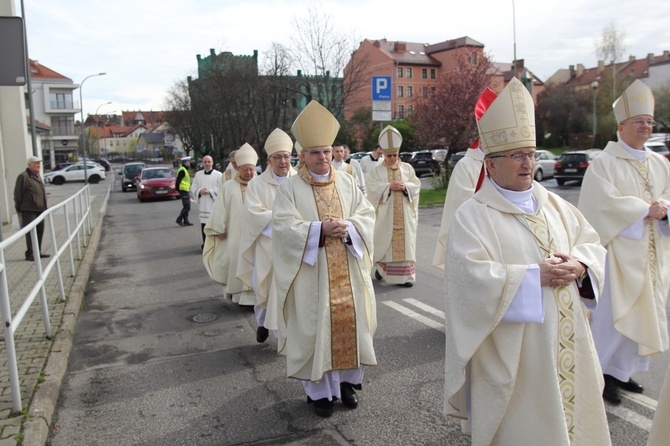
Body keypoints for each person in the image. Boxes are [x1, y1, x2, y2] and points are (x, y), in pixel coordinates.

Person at [443, 78, 611, 445]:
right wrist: (534, 276)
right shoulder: (472, 216)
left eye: (532, 154)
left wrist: (581, 267)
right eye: (517, 155)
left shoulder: (556, 205)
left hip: (568, 341)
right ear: (490, 163)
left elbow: (592, 244)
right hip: (517, 356)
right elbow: (468, 282)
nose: (528, 163)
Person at [273, 100, 377, 418]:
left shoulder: (346, 182)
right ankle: (318, 394)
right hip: (312, 275)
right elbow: (283, 227)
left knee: (349, 326)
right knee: (314, 330)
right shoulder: (290, 188)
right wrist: (319, 230)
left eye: (327, 151)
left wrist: (351, 229)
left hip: (347, 266)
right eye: (315, 152)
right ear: (302, 155)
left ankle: (346, 385)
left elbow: (367, 213)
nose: (323, 158)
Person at [578, 79, 670, 405]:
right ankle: (600, 374)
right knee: (611, 319)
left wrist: (664, 211)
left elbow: (668, 198)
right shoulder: (604, 162)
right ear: (621, 126)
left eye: (649, 121)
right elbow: (599, 204)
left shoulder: (660, 163)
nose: (646, 126)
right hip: (617, 255)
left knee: (643, 315)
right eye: (639, 121)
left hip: (652, 255)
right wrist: (645, 209)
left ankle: (621, 371)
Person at [237, 129, 297, 343]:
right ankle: (263, 323)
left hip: (296, 246)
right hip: (268, 248)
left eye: (286, 156)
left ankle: (286, 338)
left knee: (292, 293)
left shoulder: (300, 180)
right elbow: (253, 215)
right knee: (266, 292)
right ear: (269, 160)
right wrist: (284, 220)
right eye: (278, 157)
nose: (283, 161)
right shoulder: (257, 184)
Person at [432, 87, 497, 270]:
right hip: (476, 240)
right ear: (481, 136)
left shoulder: (506, 164)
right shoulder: (466, 166)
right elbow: (463, 205)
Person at [202, 143, 258, 304]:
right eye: (245, 169)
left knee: (257, 263)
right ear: (238, 169)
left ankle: (257, 298)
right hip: (236, 234)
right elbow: (220, 208)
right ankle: (239, 296)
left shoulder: (260, 184)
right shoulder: (228, 186)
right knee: (236, 261)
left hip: (257, 234)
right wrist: (219, 227)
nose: (248, 173)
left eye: (251, 169)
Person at [366, 126, 421, 287]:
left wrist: (406, 187)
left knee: (406, 243)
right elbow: (371, 188)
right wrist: (388, 187)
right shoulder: (376, 171)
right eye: (389, 155)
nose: (391, 158)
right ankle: (382, 270)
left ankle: (406, 277)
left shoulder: (408, 168)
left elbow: (416, 185)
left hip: (404, 215)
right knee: (384, 241)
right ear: (383, 154)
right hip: (386, 215)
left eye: (394, 155)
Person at [14, 155, 50, 261]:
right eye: (36, 163)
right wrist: (19, 208)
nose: (38, 165)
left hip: (40, 209)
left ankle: (37, 252)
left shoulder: (37, 175)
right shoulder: (24, 177)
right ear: (29, 165)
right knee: (31, 232)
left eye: (39, 163)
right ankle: (30, 253)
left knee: (40, 231)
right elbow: (18, 194)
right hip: (29, 210)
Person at [190, 155, 222, 249]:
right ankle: (205, 245)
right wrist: (200, 191)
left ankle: (215, 246)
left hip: (213, 205)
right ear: (202, 163)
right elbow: (193, 187)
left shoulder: (219, 175)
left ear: (212, 163)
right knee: (204, 226)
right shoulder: (198, 174)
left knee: (214, 226)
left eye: (209, 162)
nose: (207, 164)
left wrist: (210, 191)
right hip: (203, 204)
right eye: (205, 162)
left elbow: (222, 188)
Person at [175, 156, 194, 226]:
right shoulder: (182, 170)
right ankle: (179, 219)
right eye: (188, 162)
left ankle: (186, 220)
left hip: (185, 190)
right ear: (185, 163)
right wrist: (178, 189)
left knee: (186, 206)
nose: (189, 163)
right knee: (187, 207)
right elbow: (178, 180)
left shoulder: (184, 169)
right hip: (183, 190)